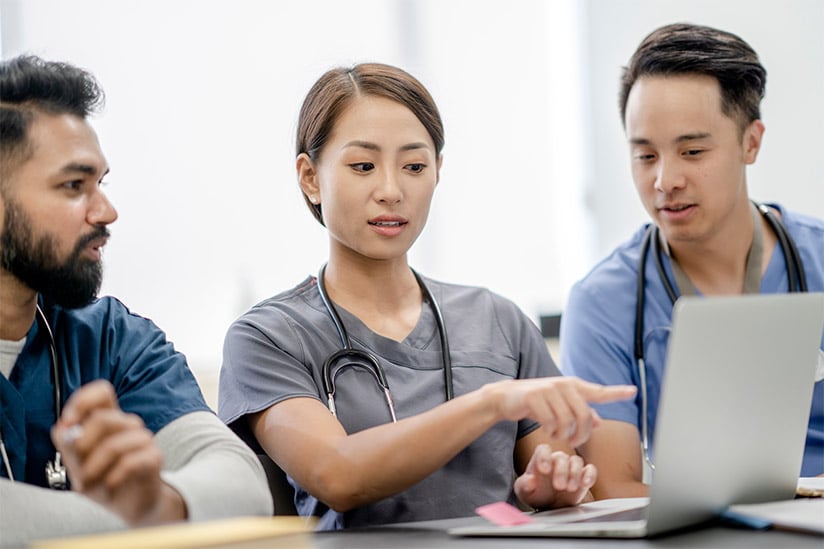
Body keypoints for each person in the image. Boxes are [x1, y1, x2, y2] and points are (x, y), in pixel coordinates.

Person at [218, 62, 637, 530]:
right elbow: (336, 474)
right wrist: (489, 404)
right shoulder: (268, 337)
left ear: (437, 171)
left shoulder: (498, 320)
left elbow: (563, 477)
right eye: (362, 166)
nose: (392, 191)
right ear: (310, 177)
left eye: (414, 166)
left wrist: (554, 491)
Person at [0, 55, 272, 546]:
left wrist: (158, 503)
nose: (107, 211)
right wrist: (147, 523)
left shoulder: (112, 339)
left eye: (100, 183)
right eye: (73, 186)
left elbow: (243, 487)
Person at [560, 22, 824, 499]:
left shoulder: (817, 258)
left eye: (693, 151)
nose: (665, 180)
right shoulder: (603, 302)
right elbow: (616, 488)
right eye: (645, 156)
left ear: (751, 142)